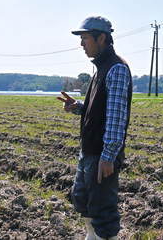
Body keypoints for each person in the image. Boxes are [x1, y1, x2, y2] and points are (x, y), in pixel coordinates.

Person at [57, 16, 132, 240]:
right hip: (89, 151)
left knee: (102, 210)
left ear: (102, 38)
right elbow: (99, 108)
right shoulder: (100, 68)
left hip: (102, 154)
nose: (82, 44)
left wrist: (108, 155)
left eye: (86, 38)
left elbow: (116, 117)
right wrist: (78, 107)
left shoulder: (116, 69)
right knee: (82, 199)